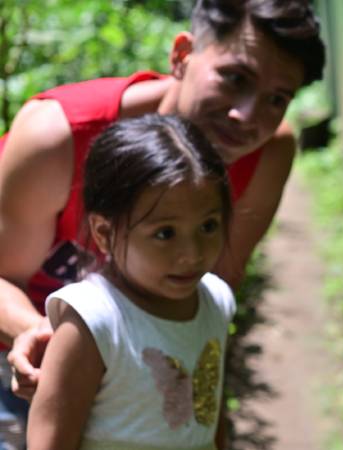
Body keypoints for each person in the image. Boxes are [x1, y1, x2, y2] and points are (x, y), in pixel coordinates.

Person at [0, 0, 324, 444]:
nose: (247, 117)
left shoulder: (268, 153)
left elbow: (211, 291)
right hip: (26, 359)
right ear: (182, 55)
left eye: (277, 99)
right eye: (235, 78)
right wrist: (50, 337)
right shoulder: (57, 136)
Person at [26, 114, 235, 450]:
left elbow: (212, 413)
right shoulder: (95, 321)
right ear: (105, 233)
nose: (192, 254)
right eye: (165, 233)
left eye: (208, 226)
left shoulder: (216, 299)